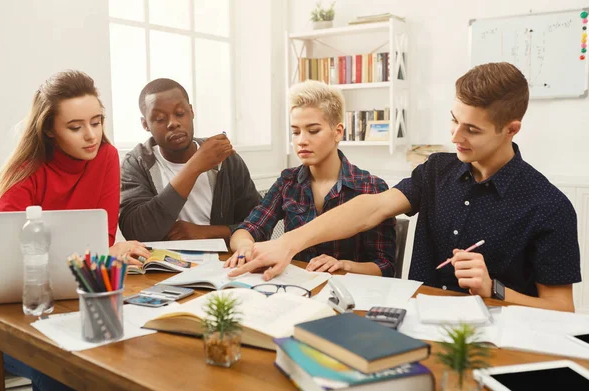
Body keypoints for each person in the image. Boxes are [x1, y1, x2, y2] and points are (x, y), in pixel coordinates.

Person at [229, 62, 581, 312]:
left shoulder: (548, 206)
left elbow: (559, 308)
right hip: (414, 324)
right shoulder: (437, 171)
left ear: (511, 129)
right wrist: (288, 243)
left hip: (492, 341)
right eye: (454, 121)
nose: (454, 137)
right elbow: (373, 208)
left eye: (471, 130)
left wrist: (494, 289)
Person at [0, 70, 150, 391]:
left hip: (78, 302)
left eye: (97, 121)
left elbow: (101, 239)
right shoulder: (26, 172)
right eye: (76, 127)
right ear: (49, 129)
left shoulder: (106, 157)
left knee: (124, 362)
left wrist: (112, 249)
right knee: (63, 374)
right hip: (17, 315)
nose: (91, 135)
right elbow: (2, 259)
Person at [225, 80, 396, 276]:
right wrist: (245, 245)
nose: (302, 141)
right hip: (295, 288)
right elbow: (249, 227)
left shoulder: (371, 187)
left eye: (313, 131)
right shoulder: (287, 182)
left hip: (349, 294)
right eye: (295, 132)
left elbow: (386, 266)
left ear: (338, 132)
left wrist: (344, 265)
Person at [119, 78, 261, 243]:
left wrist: (206, 232)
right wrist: (194, 166)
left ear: (191, 112)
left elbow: (260, 225)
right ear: (145, 124)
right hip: (162, 266)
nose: (173, 123)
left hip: (224, 263)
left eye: (180, 113)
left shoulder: (226, 159)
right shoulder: (137, 163)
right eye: (159, 119)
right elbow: (137, 232)